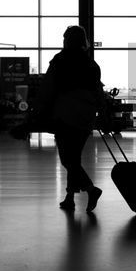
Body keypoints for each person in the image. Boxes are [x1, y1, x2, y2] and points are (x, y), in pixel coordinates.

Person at [38, 25, 105, 212]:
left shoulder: (60, 61)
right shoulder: (91, 64)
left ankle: (91, 190)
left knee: (69, 160)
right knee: (73, 158)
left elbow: (48, 87)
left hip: (65, 116)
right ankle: (70, 197)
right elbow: (97, 91)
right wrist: (102, 112)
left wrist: (41, 109)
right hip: (85, 118)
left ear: (68, 40)